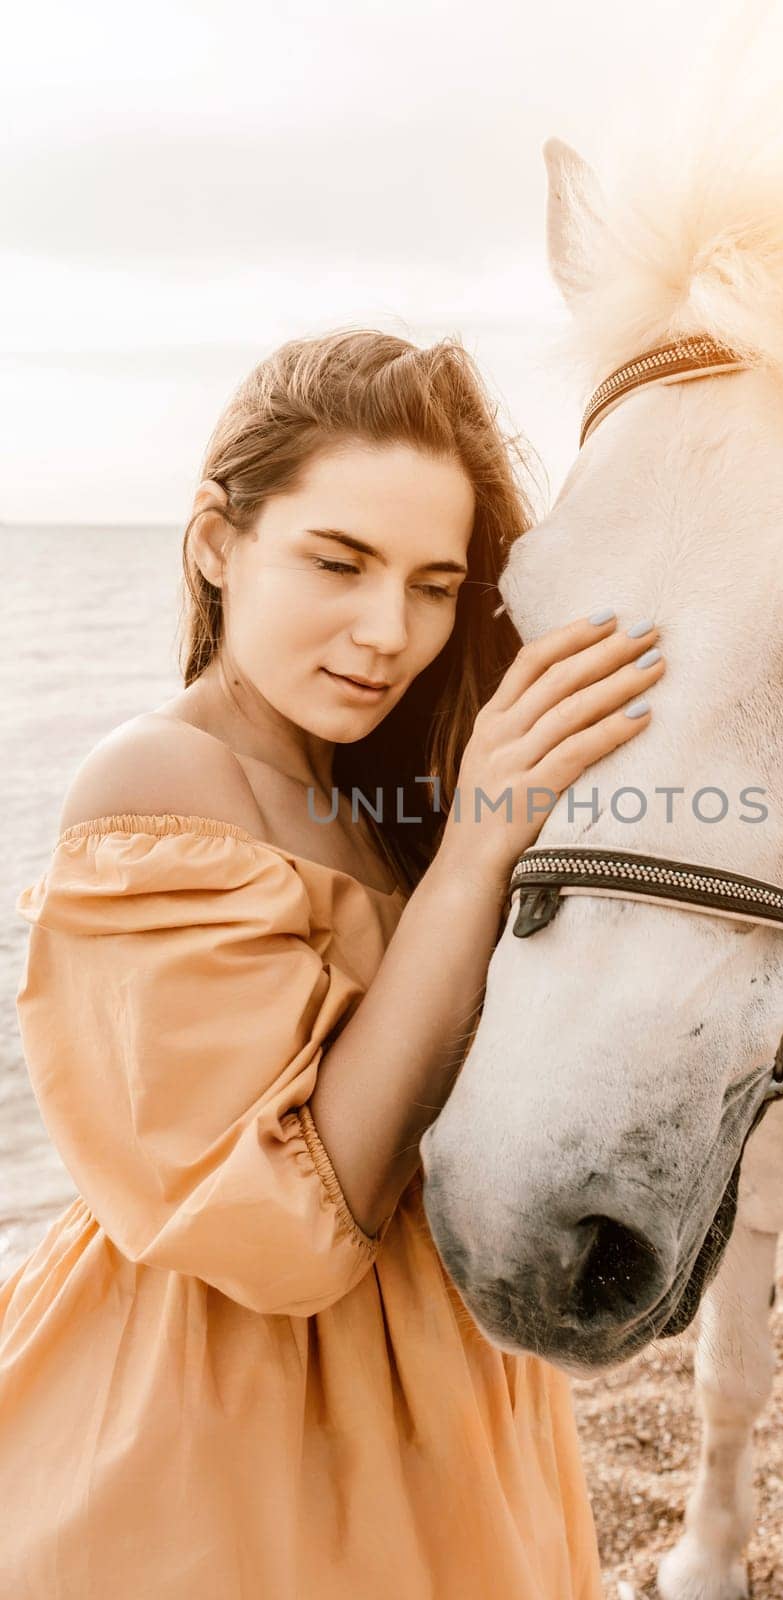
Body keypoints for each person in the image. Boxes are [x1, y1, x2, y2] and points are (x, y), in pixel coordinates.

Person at [0, 327, 667, 1600]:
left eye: (432, 584)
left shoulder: (369, 791)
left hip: (439, 1392)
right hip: (227, 1420)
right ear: (216, 542)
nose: (386, 631)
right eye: (337, 561)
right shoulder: (159, 780)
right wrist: (478, 845)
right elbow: (291, 1238)